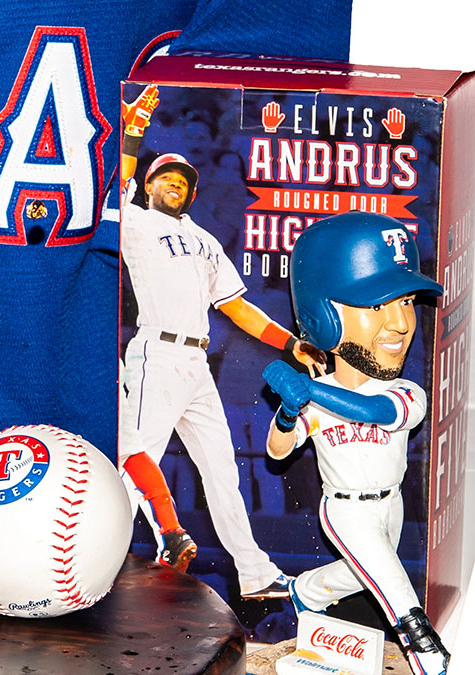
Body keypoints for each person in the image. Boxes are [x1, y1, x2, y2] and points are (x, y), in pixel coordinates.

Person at [117, 85, 323, 598]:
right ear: (148, 185)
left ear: (192, 192)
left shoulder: (206, 239)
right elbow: (119, 179)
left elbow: (235, 306)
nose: (173, 184)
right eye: (163, 177)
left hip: (196, 363)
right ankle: (105, 555)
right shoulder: (136, 221)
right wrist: (134, 131)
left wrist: (289, 344)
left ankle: (254, 574)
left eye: (182, 181)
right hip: (156, 352)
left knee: (223, 475)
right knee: (137, 460)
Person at [263, 211, 449, 675]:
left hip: (391, 505)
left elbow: (371, 412)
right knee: (393, 584)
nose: (401, 323)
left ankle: (305, 591)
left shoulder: (406, 393)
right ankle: (427, 651)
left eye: (405, 302)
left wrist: (310, 392)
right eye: (376, 306)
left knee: (359, 574)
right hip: (344, 509)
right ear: (322, 318)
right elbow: (277, 452)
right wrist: (289, 412)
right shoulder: (315, 400)